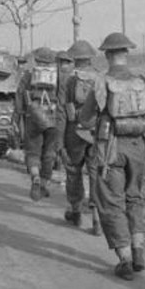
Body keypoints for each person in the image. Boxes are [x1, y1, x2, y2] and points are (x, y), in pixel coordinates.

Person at [77, 32, 145, 280]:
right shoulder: (140, 80)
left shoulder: (101, 82)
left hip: (110, 148)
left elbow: (86, 118)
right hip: (138, 148)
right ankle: (138, 248)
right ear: (126, 53)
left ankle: (125, 258)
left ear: (108, 55)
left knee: (110, 201)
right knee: (134, 197)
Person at [62, 39, 102, 235]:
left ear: (74, 59)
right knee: (95, 172)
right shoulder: (100, 78)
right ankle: (96, 218)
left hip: (75, 129)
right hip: (96, 131)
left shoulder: (70, 80)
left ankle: (76, 211)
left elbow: (64, 110)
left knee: (73, 169)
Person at [16, 46, 60, 201]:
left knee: (33, 151)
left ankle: (35, 177)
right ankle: (44, 184)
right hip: (53, 116)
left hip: (33, 116)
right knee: (50, 153)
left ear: (36, 59)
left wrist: (18, 117)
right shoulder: (57, 77)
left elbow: (20, 96)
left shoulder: (29, 75)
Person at [54, 50, 74, 172]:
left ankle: (59, 162)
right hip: (72, 110)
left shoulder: (58, 75)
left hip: (60, 109)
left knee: (59, 136)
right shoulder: (73, 75)